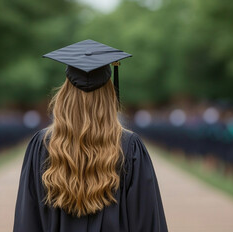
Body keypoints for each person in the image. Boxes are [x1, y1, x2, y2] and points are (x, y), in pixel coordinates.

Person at [13, 40, 168, 232]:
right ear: (110, 94)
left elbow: (27, 221)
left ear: (64, 95)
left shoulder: (42, 145)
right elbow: (147, 222)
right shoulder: (129, 146)